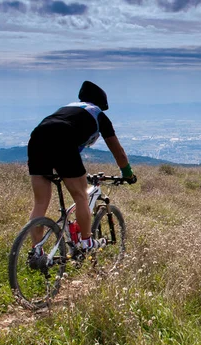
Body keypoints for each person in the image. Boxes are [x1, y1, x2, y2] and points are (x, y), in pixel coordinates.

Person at [27, 80, 135, 251]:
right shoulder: (98, 114)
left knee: (40, 202)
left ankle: (37, 250)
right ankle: (86, 242)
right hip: (64, 139)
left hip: (37, 138)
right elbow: (118, 152)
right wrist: (128, 173)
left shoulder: (66, 109)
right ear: (101, 103)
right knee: (81, 197)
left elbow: (51, 135)